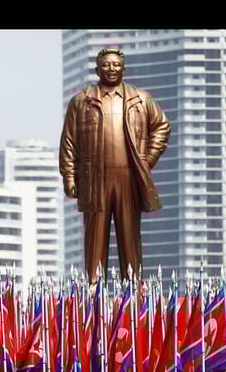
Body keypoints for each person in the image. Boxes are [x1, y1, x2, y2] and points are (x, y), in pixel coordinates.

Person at [59, 48, 171, 286]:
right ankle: (92, 292)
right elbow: (69, 141)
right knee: (95, 239)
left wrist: (146, 160)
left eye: (116, 64)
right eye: (106, 65)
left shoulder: (140, 99)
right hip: (94, 179)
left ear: (123, 67)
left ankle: (132, 291)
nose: (111, 69)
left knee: (130, 238)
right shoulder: (81, 101)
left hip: (128, 178)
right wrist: (69, 177)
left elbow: (162, 126)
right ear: (97, 68)